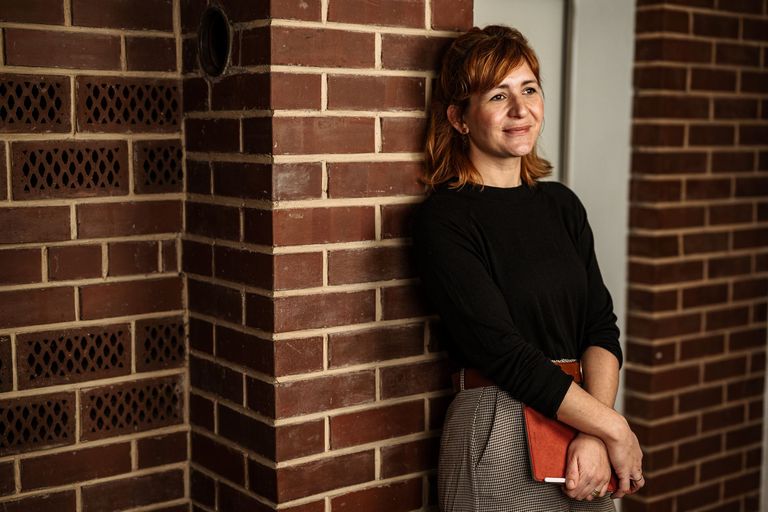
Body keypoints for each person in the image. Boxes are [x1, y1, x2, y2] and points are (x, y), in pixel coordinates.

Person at [414, 25, 644, 511]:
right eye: (498, 95)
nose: (521, 110)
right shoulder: (445, 217)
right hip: (499, 428)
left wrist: (595, 430)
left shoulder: (562, 204)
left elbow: (600, 328)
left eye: (529, 89)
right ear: (459, 117)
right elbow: (504, 353)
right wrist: (613, 427)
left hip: (583, 421)